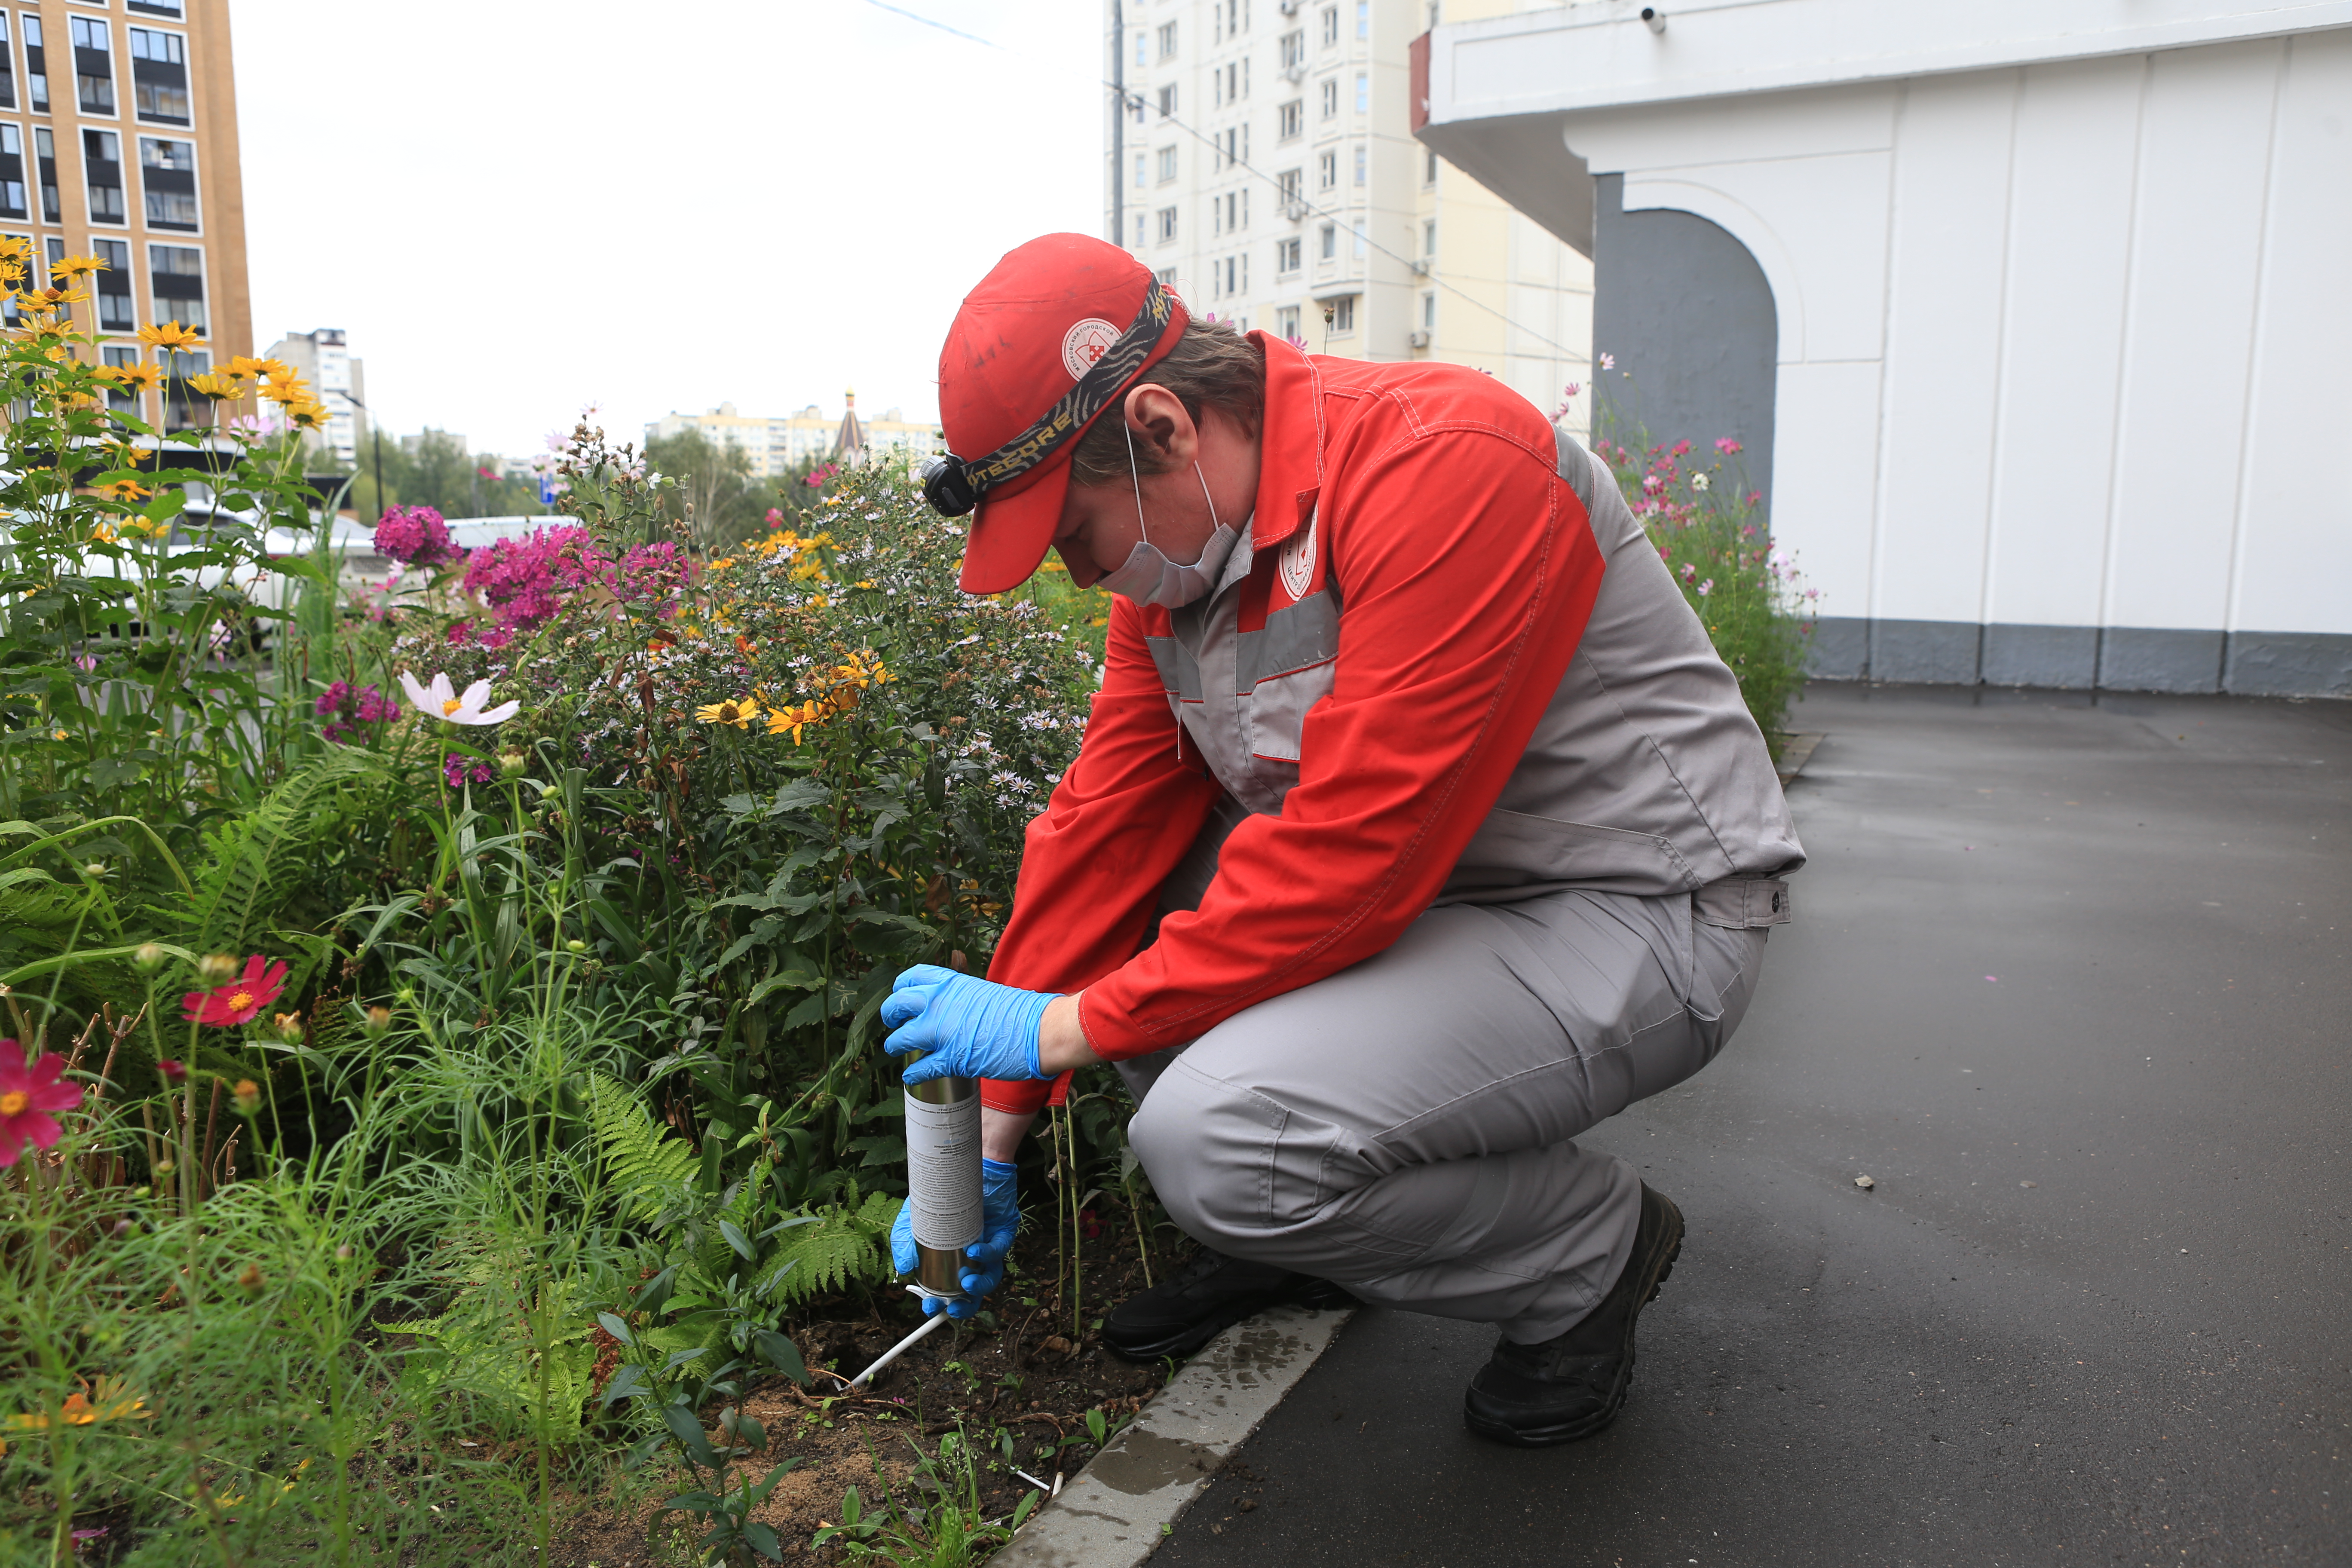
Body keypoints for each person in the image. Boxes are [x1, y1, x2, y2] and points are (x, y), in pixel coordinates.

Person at [882, 233, 1802, 1446]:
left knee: (1220, 1137)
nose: (1077, 577)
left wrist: (1057, 1026)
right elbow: (1103, 836)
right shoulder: (1172, 579)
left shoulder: (1449, 466)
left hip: (1633, 907)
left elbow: (1358, 856)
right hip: (1439, 906)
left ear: (1160, 425)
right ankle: (1301, 1245)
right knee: (1157, 912)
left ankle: (1589, 1253)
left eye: (1074, 535)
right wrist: (996, 1131)